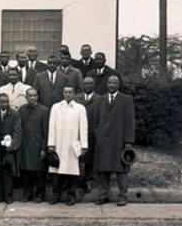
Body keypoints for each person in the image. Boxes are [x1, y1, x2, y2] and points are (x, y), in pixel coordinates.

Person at [94, 74, 136, 207]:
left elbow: (130, 122)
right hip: (103, 142)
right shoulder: (100, 100)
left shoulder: (126, 100)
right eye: (110, 83)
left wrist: (128, 142)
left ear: (119, 85)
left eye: (114, 83)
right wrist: (98, 135)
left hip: (119, 141)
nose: (112, 85)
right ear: (107, 84)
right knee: (103, 171)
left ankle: (123, 196)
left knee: (121, 171)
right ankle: (102, 195)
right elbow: (95, 121)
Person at [47, 84, 89, 205]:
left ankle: (71, 195)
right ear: (63, 93)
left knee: (72, 171)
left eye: (70, 92)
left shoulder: (80, 108)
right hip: (59, 144)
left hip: (72, 144)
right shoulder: (56, 107)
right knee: (56, 171)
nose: (68, 94)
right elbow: (52, 126)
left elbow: (83, 127)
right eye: (65, 92)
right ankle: (56, 195)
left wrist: (84, 145)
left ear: (74, 93)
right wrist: (51, 144)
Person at [19, 87, 50, 202]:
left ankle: (40, 195)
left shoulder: (44, 110)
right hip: (25, 145)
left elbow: (45, 131)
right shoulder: (22, 110)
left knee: (39, 172)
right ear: (26, 97)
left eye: (34, 95)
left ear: (37, 96)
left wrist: (43, 148)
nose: (32, 97)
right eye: (30, 95)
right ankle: (28, 194)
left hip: (38, 146)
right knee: (26, 172)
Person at [76, 76, 102, 197]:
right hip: (77, 132)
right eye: (85, 84)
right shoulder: (77, 98)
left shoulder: (99, 99)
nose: (87, 86)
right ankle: (77, 179)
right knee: (78, 155)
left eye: (90, 84)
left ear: (94, 85)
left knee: (90, 157)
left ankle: (88, 180)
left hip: (92, 132)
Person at [0, 92, 22, 203]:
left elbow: (17, 131)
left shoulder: (15, 114)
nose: (5, 104)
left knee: (8, 172)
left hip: (9, 148)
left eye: (6, 102)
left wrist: (12, 145)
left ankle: (8, 196)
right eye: (2, 102)